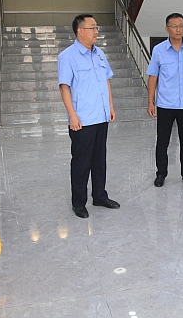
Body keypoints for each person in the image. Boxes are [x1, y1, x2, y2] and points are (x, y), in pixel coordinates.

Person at [58, 14, 120, 219]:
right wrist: (72, 115)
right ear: (80, 31)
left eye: (96, 27)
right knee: (81, 163)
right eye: (92, 28)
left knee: (99, 160)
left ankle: (100, 196)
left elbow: (106, 80)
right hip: (82, 120)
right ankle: (78, 203)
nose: (96, 32)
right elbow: (64, 87)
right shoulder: (67, 56)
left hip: (101, 116)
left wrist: (110, 106)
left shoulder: (99, 53)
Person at [147, 13, 183, 188]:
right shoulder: (159, 50)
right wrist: (150, 101)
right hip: (165, 104)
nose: (178, 29)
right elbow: (153, 76)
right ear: (167, 29)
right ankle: (161, 173)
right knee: (162, 141)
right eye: (174, 26)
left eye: (181, 26)